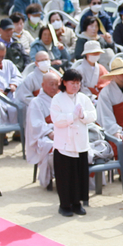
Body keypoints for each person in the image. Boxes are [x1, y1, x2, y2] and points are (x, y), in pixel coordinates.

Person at [50, 68, 97, 217]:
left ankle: (77, 203)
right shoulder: (57, 99)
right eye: (72, 82)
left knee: (79, 175)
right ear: (64, 82)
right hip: (64, 143)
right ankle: (65, 205)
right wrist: (72, 116)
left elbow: (93, 115)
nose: (75, 86)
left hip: (80, 142)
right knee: (65, 176)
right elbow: (56, 120)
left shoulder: (83, 98)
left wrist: (83, 115)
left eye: (78, 83)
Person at [24, 72, 60, 191]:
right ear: (43, 85)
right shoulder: (36, 102)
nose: (54, 87)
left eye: (57, 84)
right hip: (44, 135)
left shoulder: (62, 99)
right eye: (51, 84)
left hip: (62, 131)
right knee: (51, 147)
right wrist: (50, 132)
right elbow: (36, 124)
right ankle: (52, 178)